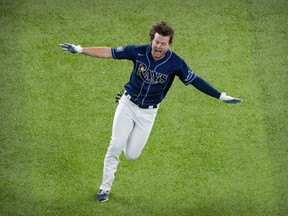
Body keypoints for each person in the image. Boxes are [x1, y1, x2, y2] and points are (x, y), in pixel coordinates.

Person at [60, 21, 243, 202]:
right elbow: (109, 51)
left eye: (163, 43)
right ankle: (104, 188)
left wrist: (221, 96)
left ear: (169, 44)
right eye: (157, 42)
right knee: (115, 145)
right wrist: (80, 49)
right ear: (152, 40)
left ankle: (123, 135)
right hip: (127, 104)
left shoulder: (176, 63)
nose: (159, 46)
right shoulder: (138, 51)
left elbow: (196, 80)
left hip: (148, 113)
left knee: (132, 155)